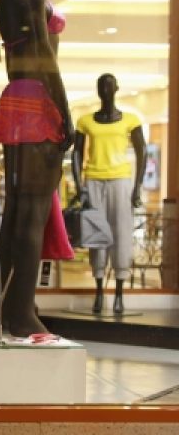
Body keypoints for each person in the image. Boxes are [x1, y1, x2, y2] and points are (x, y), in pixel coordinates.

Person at [0, 0, 74, 337]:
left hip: (15, 98)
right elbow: (42, 54)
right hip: (37, 101)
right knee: (32, 213)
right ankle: (22, 313)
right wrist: (65, 111)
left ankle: (13, 309)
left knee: (18, 210)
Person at [71, 73, 146, 314]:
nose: (106, 89)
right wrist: (79, 185)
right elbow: (77, 153)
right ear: (97, 90)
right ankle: (100, 290)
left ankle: (120, 293)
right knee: (97, 236)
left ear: (116, 88)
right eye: (102, 85)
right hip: (93, 181)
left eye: (110, 85)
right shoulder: (85, 121)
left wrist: (137, 187)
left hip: (121, 181)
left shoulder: (131, 120)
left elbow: (143, 152)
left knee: (122, 233)